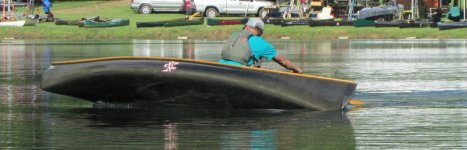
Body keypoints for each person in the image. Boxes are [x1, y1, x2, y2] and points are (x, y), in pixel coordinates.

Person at [219, 18, 303, 74]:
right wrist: (297, 70)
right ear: (259, 31)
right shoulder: (259, 41)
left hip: (220, 69)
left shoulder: (233, 35)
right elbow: (284, 62)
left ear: (246, 27)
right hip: (241, 74)